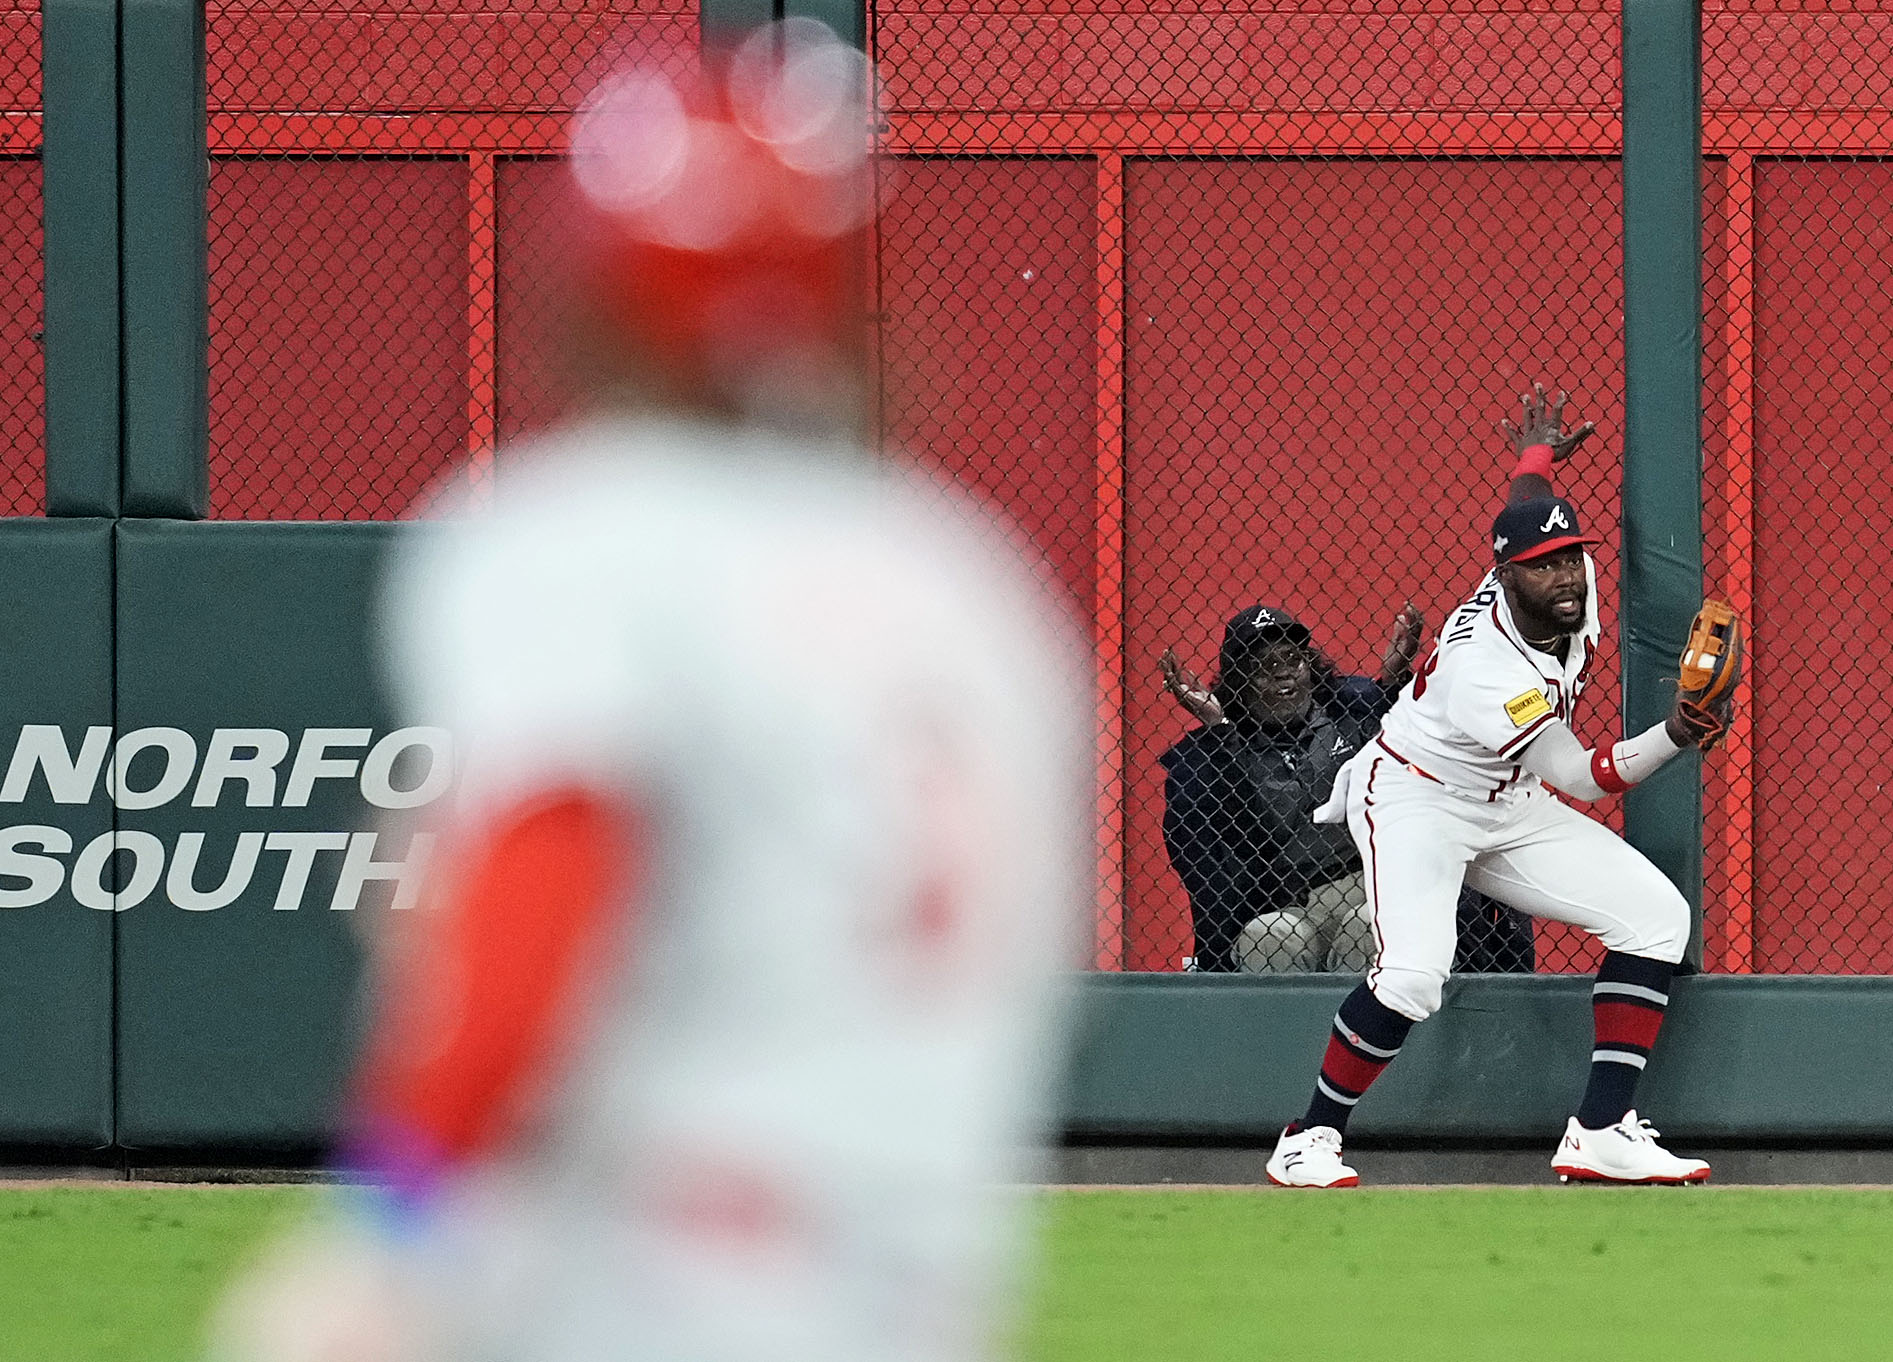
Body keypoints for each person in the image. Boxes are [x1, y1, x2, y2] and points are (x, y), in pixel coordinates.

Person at [210, 23, 1087, 1362]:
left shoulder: (573, 530)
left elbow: (540, 891)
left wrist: (387, 1223)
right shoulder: (972, 585)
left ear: (601, 291)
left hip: (639, 1270)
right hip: (915, 1289)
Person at [1264, 385, 1727, 1188]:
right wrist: (1677, 735)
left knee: (1656, 918)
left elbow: (1529, 508)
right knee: (1411, 976)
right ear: (1503, 578)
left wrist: (1535, 461)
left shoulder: (1564, 579)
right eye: (1541, 567)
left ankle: (1600, 1129)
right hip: (1415, 795)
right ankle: (1308, 1137)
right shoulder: (1489, 668)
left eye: (1569, 556)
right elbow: (1584, 779)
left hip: (1504, 800)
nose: (1564, 576)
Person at [1159, 606, 1536, 975]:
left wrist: (1392, 682)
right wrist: (1220, 729)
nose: (1284, 674)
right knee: (1268, 936)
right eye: (1265, 666)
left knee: (1368, 925)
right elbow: (1217, 832)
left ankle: (1357, 1037)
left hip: (1371, 882)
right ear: (1240, 680)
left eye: (1293, 658)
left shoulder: (1349, 712)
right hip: (1291, 898)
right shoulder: (1225, 750)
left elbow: (1411, 742)